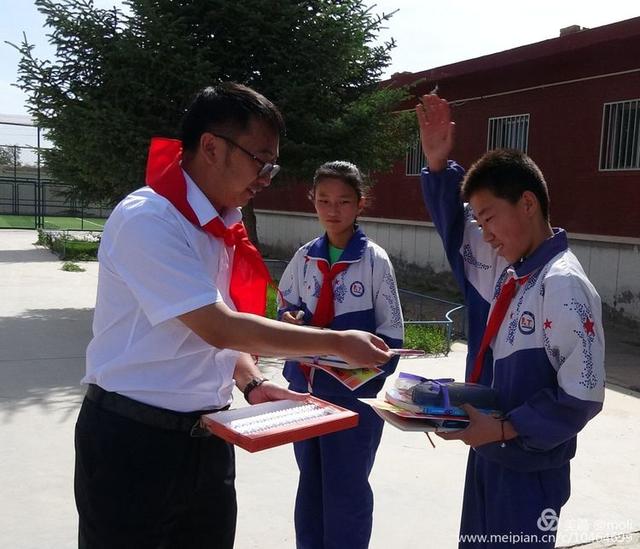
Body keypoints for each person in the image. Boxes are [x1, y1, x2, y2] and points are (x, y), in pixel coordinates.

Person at [74, 83, 393, 549]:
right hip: (134, 441)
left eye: (272, 164)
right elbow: (217, 324)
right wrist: (337, 341)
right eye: (259, 160)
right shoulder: (150, 218)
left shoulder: (218, 223)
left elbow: (219, 337)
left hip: (208, 435)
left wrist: (250, 382)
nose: (266, 177)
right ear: (211, 147)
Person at [416, 93, 605, 547]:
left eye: (488, 219)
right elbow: (504, 378)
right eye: (478, 224)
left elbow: (580, 397)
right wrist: (447, 402)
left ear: (527, 204)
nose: (485, 235)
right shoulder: (515, 278)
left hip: (528, 471)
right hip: (491, 455)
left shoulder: (562, 285)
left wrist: (503, 429)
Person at [278, 160, 404, 549]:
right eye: (324, 200)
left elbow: (391, 335)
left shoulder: (374, 261)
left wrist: (369, 368)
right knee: (310, 482)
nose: (333, 210)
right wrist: (290, 318)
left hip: (354, 399)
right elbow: (284, 308)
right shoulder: (303, 258)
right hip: (307, 392)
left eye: (344, 201)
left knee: (346, 485)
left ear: (360, 204)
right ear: (312, 201)